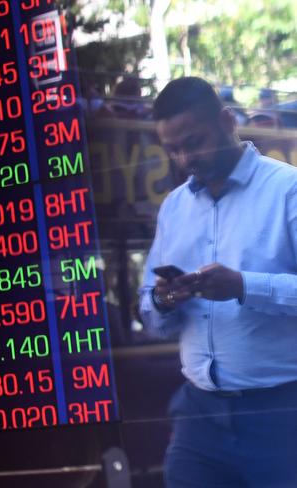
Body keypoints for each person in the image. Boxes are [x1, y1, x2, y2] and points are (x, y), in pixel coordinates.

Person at [139, 77, 297, 487]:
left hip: (282, 413)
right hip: (198, 417)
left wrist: (244, 285)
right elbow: (149, 311)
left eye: (194, 141)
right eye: (172, 148)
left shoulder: (287, 190)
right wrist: (163, 301)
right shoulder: (173, 208)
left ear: (227, 121)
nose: (184, 158)